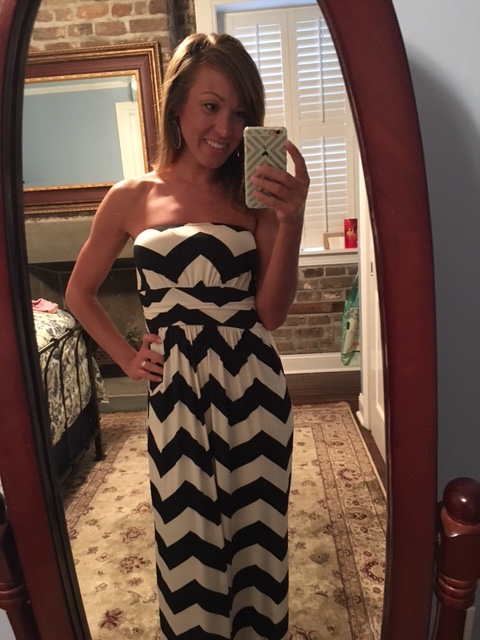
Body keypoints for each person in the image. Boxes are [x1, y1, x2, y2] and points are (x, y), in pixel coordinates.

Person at [66, 32, 309, 640]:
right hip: (175, 397)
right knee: (188, 539)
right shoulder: (130, 197)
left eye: (241, 113)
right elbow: (79, 293)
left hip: (253, 392)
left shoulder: (253, 197)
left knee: (256, 537)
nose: (226, 128)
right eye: (211, 106)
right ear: (177, 105)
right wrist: (126, 357)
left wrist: (291, 220)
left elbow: (271, 313)